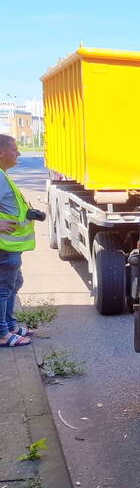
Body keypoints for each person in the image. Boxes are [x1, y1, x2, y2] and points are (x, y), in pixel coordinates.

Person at [0, 135, 35, 347]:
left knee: (13, 284)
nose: (18, 153)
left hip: (11, 245)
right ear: (1, 152)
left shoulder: (2, 174)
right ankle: (3, 334)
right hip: (5, 246)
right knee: (3, 289)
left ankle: (10, 326)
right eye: (14, 149)